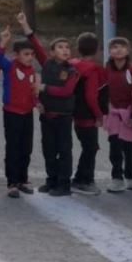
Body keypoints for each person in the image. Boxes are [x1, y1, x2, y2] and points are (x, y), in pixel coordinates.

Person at [0, 15, 44, 198]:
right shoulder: (10, 66)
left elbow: (32, 91)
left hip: (26, 113)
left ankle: (23, 179)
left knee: (26, 147)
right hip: (12, 113)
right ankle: (12, 182)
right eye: (26, 54)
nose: (30, 58)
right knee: (13, 147)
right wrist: (3, 42)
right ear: (16, 55)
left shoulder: (32, 71)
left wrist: (37, 103)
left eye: (31, 55)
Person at [37, 35, 80, 197]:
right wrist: (25, 25)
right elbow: (36, 46)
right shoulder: (47, 64)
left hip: (63, 116)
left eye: (67, 47)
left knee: (64, 150)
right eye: (60, 47)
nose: (65, 50)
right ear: (52, 52)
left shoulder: (71, 71)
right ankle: (52, 179)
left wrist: (44, 88)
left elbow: (66, 91)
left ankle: (64, 184)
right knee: (48, 149)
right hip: (47, 115)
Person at [69, 32, 109, 196]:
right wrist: (99, 115)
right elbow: (91, 96)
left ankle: (81, 178)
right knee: (90, 148)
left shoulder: (72, 64)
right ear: (98, 49)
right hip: (87, 114)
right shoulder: (93, 70)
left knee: (88, 146)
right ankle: (84, 180)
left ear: (78, 48)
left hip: (73, 111)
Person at [104, 37, 132, 193]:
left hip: (127, 112)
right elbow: (103, 91)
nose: (118, 49)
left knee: (128, 147)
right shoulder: (107, 68)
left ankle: (130, 176)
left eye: (122, 46)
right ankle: (117, 177)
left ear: (128, 50)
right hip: (112, 113)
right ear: (109, 51)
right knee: (114, 147)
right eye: (114, 47)